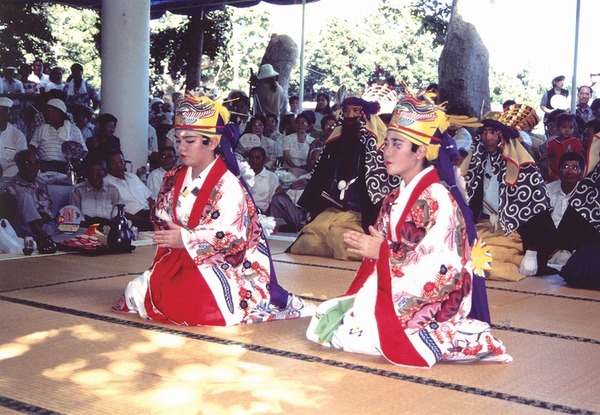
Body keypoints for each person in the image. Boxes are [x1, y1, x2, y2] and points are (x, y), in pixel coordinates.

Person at [305, 95, 511, 367]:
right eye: (387, 142)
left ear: (420, 152)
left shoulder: (435, 197)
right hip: (398, 283)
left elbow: (438, 264)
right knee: (330, 321)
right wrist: (377, 250)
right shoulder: (394, 196)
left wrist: (379, 250)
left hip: (430, 294)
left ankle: (463, 337)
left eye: (396, 144)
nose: (385, 151)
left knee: (357, 336)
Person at [113, 92, 314, 326]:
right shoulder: (172, 177)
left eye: (190, 141)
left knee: (194, 307)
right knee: (134, 293)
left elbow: (235, 240)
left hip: (221, 265)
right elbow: (160, 216)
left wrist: (187, 238)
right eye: (178, 140)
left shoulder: (228, 185)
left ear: (213, 142)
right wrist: (174, 233)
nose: (181, 148)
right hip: (177, 259)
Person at [288, 97, 394, 260]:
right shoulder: (336, 142)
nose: (350, 115)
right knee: (307, 242)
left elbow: (380, 187)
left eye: (355, 110)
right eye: (346, 110)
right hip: (333, 209)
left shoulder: (376, 145)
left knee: (340, 239)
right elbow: (321, 176)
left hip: (359, 214)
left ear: (364, 114)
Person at [462, 109, 555, 280]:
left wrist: (532, 251)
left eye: (493, 132)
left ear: (502, 135)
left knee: (488, 256)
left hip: (515, 230)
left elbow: (536, 209)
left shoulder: (523, 168)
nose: (487, 138)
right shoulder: (477, 163)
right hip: (483, 226)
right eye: (483, 132)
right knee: (462, 251)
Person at [1, 149, 58, 253]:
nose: (33, 167)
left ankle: (47, 238)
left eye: (36, 163)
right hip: (23, 231)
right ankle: (43, 238)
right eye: (28, 163)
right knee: (25, 197)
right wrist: (38, 214)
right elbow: (10, 216)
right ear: (19, 165)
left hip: (46, 227)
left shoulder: (41, 185)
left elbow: (48, 210)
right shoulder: (9, 186)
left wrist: (44, 215)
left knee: (79, 232)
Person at [270, 147, 323, 232]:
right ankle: (277, 229)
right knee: (277, 198)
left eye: (319, 159)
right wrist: (283, 193)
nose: (317, 162)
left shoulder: (327, 180)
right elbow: (290, 200)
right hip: (298, 215)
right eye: (313, 159)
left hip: (316, 217)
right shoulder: (303, 179)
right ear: (309, 161)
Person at [29, 98, 87, 173]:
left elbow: (84, 151)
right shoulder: (40, 129)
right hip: (44, 165)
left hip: (66, 166)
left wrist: (79, 161)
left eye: (47, 111)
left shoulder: (74, 130)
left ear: (58, 112)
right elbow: (32, 147)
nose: (44, 114)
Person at [103, 149, 153, 231]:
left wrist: (156, 213)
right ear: (107, 166)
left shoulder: (132, 176)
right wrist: (143, 219)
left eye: (121, 162)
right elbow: (114, 213)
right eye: (114, 163)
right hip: (132, 218)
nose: (118, 165)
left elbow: (149, 198)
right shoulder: (107, 183)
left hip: (148, 213)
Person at [70, 156, 119, 227]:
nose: (94, 175)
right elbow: (74, 215)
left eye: (98, 172)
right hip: (85, 228)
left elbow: (115, 213)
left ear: (105, 172)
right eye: (91, 171)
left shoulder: (113, 190)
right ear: (86, 173)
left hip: (107, 228)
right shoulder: (78, 190)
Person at [544, 113, 584, 181]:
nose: (567, 130)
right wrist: (550, 172)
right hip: (555, 176)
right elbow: (548, 159)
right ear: (557, 127)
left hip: (571, 175)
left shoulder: (575, 142)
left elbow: (580, 159)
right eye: (564, 127)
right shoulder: (553, 143)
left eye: (570, 128)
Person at [0, 97, 27, 177]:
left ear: (9, 116)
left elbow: (23, 157)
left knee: (19, 169)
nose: (1, 116)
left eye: (3, 112)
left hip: (9, 169)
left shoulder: (17, 134)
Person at [248, 146, 280, 213]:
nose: (254, 160)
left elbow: (273, 202)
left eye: (257, 158)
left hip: (261, 213)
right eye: (251, 158)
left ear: (264, 160)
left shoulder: (272, 177)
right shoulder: (243, 175)